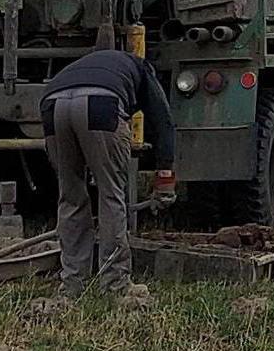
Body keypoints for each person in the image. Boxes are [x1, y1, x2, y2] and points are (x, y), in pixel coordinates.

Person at [38, 44, 176, 301]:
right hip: (102, 105)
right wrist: (165, 175)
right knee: (111, 195)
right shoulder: (143, 69)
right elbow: (163, 121)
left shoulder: (93, 64)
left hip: (53, 106)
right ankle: (115, 284)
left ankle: (72, 284)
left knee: (70, 197)